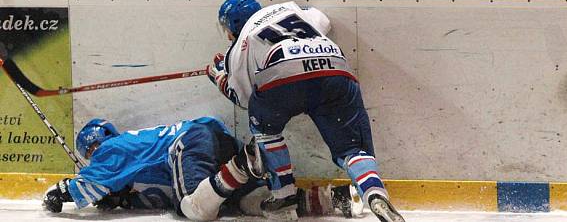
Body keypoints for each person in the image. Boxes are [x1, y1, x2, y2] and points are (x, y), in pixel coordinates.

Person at [208, 0, 405, 222]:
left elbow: (243, 98)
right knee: (352, 149)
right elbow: (323, 20)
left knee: (265, 127)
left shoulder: (241, 42)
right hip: (334, 70)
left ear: (232, 26)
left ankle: (283, 198)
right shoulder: (292, 10)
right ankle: (374, 193)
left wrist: (220, 76)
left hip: (282, 78)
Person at [42, 117, 359, 220]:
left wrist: (63, 190)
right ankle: (337, 199)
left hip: (192, 143)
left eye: (92, 153)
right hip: (211, 143)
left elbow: (90, 183)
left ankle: (243, 163)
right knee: (255, 204)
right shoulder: (130, 173)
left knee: (193, 209)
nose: (95, 159)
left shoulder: (113, 148)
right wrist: (119, 196)